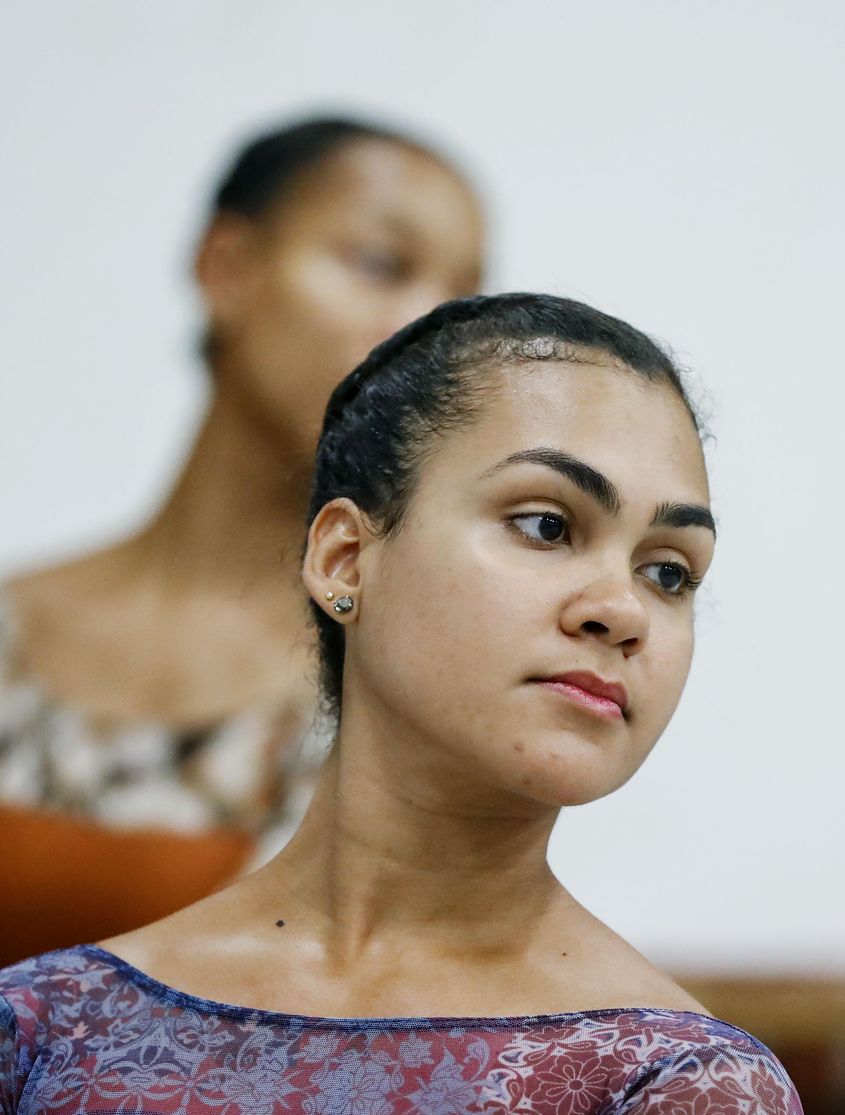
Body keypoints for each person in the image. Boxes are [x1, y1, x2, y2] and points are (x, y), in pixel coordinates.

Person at [0, 294, 802, 1112]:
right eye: (546, 524)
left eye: (669, 571)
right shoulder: (44, 1031)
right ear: (345, 559)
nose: (623, 610)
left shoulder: (680, 1082)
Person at [0, 116, 485, 964]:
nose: (422, 330)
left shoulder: (398, 691)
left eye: (458, 301)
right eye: (381, 262)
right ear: (226, 267)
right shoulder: (15, 623)